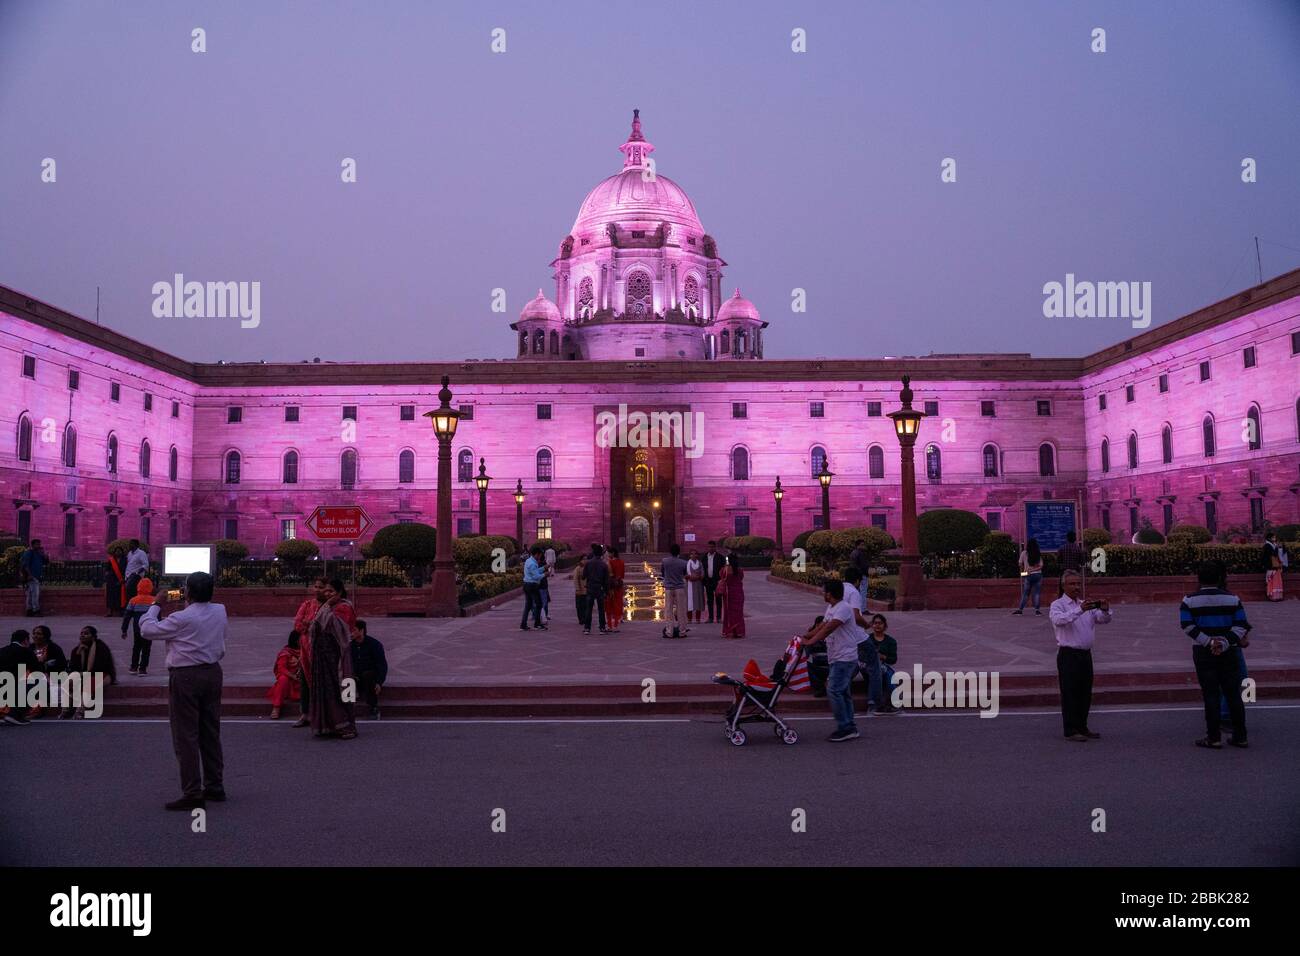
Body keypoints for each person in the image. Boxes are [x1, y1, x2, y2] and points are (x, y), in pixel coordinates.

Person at [139, 572, 227, 809]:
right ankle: (214, 785)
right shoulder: (220, 610)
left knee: (186, 735)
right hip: (212, 672)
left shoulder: (181, 618)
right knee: (210, 731)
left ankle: (192, 792)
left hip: (186, 676)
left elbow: (147, 630)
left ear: (188, 592)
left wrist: (157, 604)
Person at [1180, 561, 1252, 749]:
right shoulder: (1232, 599)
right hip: (1228, 652)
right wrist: (1224, 642)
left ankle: (1214, 737)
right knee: (1233, 694)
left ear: (1199, 578)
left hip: (1204, 652)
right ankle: (1240, 736)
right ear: (1220, 578)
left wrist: (1209, 642)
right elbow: (1241, 625)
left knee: (1210, 694)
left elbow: (1187, 626)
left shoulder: (1189, 600)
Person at [1048, 570, 1111, 742]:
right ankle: (1070, 729)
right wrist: (1079, 610)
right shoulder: (1057, 605)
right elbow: (1060, 621)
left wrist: (1105, 610)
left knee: (1085, 693)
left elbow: (1103, 619)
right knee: (1070, 693)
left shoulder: (1085, 604)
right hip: (1068, 655)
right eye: (1072, 584)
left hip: (1085, 654)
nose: (1076, 587)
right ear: (1063, 586)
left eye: (1078, 583)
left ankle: (1082, 727)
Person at [799, 579, 862, 742]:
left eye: (824, 591)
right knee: (843, 692)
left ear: (830, 593)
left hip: (845, 657)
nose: (822, 593)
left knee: (834, 690)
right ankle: (850, 726)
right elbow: (822, 625)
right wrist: (806, 636)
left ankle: (845, 727)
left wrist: (810, 642)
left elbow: (829, 628)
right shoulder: (832, 607)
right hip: (837, 656)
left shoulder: (844, 608)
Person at [307, 578, 357, 739]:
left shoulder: (345, 607)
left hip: (338, 656)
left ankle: (347, 726)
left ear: (340, 592)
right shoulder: (325, 606)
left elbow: (333, 626)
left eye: (331, 591)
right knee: (324, 689)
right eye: (325, 591)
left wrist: (327, 607)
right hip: (322, 656)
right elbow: (315, 626)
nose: (327, 594)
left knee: (342, 687)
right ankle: (327, 725)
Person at [843, 568, 884, 713]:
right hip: (859, 637)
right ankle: (875, 703)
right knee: (874, 667)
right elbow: (855, 615)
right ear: (857, 581)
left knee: (848, 669)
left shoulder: (840, 590)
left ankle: (844, 704)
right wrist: (867, 625)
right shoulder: (854, 592)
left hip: (845, 638)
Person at [290, 578, 326, 728]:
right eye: (316, 586)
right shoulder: (307, 605)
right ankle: (305, 714)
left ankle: (323, 716)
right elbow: (297, 625)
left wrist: (309, 624)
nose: (317, 590)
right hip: (306, 652)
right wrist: (310, 626)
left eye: (321, 587)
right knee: (305, 683)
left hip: (324, 653)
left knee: (323, 684)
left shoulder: (331, 607)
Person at [64, 625, 117, 719]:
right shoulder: (76, 650)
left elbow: (100, 668)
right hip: (84, 675)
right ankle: (67, 710)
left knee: (89, 683)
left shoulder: (101, 647)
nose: (83, 635)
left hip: (103, 675)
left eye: (86, 633)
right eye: (81, 633)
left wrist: (83, 675)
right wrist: (78, 654)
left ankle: (80, 710)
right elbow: (73, 669)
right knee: (70, 681)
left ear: (93, 636)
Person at [349, 619, 388, 720]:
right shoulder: (349, 646)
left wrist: (379, 682)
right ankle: (347, 709)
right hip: (356, 678)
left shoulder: (374, 645)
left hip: (370, 679)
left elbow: (382, 665)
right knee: (347, 678)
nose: (350, 633)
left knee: (368, 675)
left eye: (353, 630)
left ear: (361, 631)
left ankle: (373, 708)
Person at [0, 630, 42, 725]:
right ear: (25, 640)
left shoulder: (1, 650)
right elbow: (37, 671)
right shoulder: (26, 651)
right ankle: (15, 714)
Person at [122, 577, 156, 675]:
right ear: (150, 588)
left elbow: (127, 616)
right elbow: (157, 615)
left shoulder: (133, 600)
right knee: (146, 648)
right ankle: (142, 669)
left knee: (136, 647)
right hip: (149, 629)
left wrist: (124, 630)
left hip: (137, 629)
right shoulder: (153, 601)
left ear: (138, 587)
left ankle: (133, 667)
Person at [868, 614, 900, 713]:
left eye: (880, 623)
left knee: (887, 673)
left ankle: (876, 704)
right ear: (872, 625)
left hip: (884, 666)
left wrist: (883, 657)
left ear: (885, 626)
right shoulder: (867, 640)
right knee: (879, 671)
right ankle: (874, 703)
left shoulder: (891, 641)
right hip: (869, 667)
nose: (877, 625)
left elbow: (893, 659)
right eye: (875, 623)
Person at [266, 631, 301, 720]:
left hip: (301, 680)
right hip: (290, 681)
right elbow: (281, 669)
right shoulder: (285, 653)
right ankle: (276, 708)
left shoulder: (306, 651)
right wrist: (293, 676)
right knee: (283, 679)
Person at [660, 544, 689, 638]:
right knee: (681, 610)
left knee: (668, 610)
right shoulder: (684, 562)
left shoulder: (665, 561)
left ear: (670, 552)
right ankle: (682, 632)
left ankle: (669, 632)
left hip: (669, 588)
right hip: (679, 587)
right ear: (678, 552)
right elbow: (684, 574)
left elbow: (663, 573)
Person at [582, 544, 610, 634]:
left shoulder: (588, 563)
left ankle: (587, 628)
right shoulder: (604, 565)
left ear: (593, 553)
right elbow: (606, 580)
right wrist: (607, 591)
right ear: (601, 553)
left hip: (590, 587)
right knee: (601, 609)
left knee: (588, 609)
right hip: (599, 588)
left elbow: (583, 576)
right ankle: (602, 628)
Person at [1013, 538, 1044, 615]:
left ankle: (1020, 610)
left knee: (1025, 593)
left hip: (1027, 574)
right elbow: (1041, 566)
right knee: (1036, 593)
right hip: (1038, 574)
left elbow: (1020, 563)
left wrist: (1022, 573)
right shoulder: (1037, 553)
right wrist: (1034, 570)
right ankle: (1037, 611)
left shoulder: (1024, 553)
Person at [719, 553, 746, 639]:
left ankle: (730, 631)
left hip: (729, 594)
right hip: (739, 593)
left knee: (729, 613)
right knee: (739, 613)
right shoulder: (740, 570)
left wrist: (726, 565)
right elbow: (741, 578)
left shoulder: (725, 570)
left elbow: (721, 576)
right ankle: (739, 631)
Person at [520, 546, 547, 631]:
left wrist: (543, 568)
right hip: (532, 585)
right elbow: (536, 577)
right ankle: (537, 624)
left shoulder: (529, 561)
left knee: (528, 605)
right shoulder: (532, 563)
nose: (540, 557)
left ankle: (523, 624)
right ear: (536, 554)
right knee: (538, 604)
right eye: (539, 555)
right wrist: (545, 574)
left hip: (527, 585)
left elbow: (535, 571)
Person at [18, 539, 45, 616]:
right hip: (32, 576)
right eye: (37, 544)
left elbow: (45, 562)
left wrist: (45, 555)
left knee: (30, 594)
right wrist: (29, 575)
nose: (39, 546)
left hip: (36, 576)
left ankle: (29, 610)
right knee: (35, 594)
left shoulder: (38, 554)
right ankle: (36, 610)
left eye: (39, 544)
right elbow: (26, 565)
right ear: (33, 545)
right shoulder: (29, 553)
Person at [1057, 530, 1085, 597]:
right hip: (1075, 570)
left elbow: (1059, 560)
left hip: (1065, 570)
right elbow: (1082, 562)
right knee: (1076, 587)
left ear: (1067, 538)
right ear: (1075, 539)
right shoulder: (1078, 549)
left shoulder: (1062, 548)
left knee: (1062, 588)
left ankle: (1062, 601)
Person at [702, 541, 724, 624]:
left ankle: (718, 617)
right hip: (708, 581)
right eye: (709, 547)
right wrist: (704, 581)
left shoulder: (720, 557)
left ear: (715, 547)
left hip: (717, 581)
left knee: (718, 599)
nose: (711, 548)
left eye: (712, 547)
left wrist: (721, 580)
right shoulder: (704, 557)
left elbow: (723, 569)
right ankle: (710, 617)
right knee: (710, 600)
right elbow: (702, 569)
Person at [605, 547, 625, 633]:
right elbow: (622, 575)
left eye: (608, 553)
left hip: (610, 587)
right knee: (617, 605)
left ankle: (609, 626)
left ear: (612, 553)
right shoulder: (622, 562)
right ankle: (616, 625)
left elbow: (607, 576)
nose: (607, 554)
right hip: (618, 586)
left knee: (608, 606)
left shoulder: (610, 563)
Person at [1263, 531, 1287, 602]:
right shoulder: (1267, 546)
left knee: (1277, 582)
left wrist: (1282, 546)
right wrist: (1277, 548)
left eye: (1275, 537)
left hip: (1276, 566)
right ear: (1269, 538)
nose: (1275, 538)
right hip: (1271, 567)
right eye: (1273, 537)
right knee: (1272, 582)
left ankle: (1278, 596)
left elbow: (1280, 553)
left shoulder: (1274, 545)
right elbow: (1272, 555)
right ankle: (1272, 596)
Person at [123, 539, 149, 604]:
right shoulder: (129, 553)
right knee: (129, 592)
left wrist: (137, 573)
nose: (129, 545)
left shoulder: (141, 553)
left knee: (130, 591)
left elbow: (145, 565)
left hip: (136, 576)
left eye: (131, 544)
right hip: (128, 576)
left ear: (136, 545)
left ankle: (132, 607)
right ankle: (130, 607)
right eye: (129, 543)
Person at [685, 550, 705, 624]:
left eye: (695, 554)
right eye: (692, 554)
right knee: (689, 602)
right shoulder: (687, 564)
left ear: (697, 555)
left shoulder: (700, 564)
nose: (693, 555)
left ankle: (697, 619)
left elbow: (703, 574)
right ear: (690, 555)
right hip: (689, 584)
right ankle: (689, 619)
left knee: (698, 601)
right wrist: (690, 577)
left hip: (698, 585)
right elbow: (684, 574)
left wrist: (697, 577)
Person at [105, 548, 126, 618]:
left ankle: (121, 611)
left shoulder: (125, 560)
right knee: (110, 596)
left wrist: (123, 579)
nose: (118, 553)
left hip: (121, 580)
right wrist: (108, 576)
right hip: (111, 581)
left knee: (120, 596)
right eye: (117, 551)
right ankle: (110, 611)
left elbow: (127, 570)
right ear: (114, 552)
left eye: (120, 551)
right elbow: (107, 570)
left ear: (122, 552)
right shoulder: (111, 560)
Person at [573, 553, 590, 629]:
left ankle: (586, 619)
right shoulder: (578, 569)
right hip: (580, 590)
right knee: (579, 606)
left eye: (586, 559)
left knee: (586, 606)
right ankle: (581, 619)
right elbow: (575, 579)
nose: (585, 560)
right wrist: (577, 588)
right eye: (584, 559)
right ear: (580, 560)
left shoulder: (589, 568)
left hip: (587, 590)